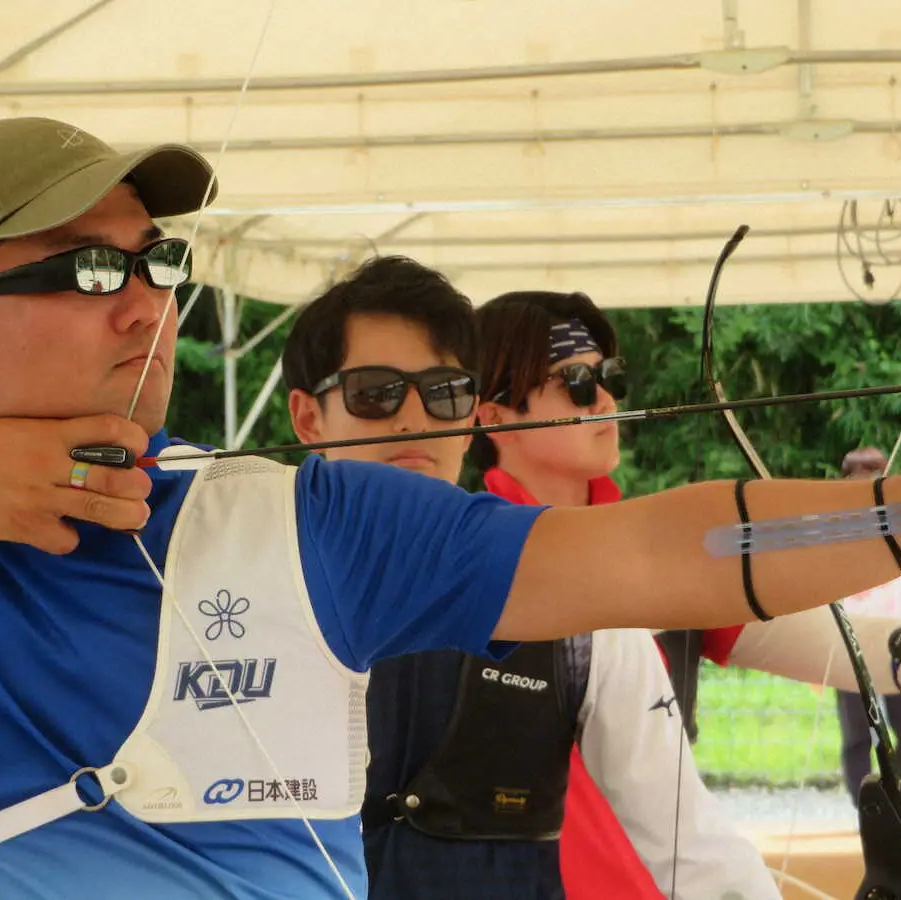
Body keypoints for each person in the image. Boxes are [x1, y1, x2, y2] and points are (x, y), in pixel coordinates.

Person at [0, 117, 901, 899]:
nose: (147, 308)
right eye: (90, 270)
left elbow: (666, 553)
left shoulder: (305, 524)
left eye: (157, 264)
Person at [282, 255, 779, 900]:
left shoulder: (583, 602)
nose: (414, 419)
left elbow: (692, 849)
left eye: (445, 392)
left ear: (469, 419)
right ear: (308, 418)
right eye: (375, 392)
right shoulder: (234, 571)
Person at [472, 289, 901, 896]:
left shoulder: (654, 553)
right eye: (577, 382)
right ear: (494, 419)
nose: (609, 401)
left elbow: (835, 644)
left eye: (609, 377)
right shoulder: (478, 569)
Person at [835, 447, 901, 805]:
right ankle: (866, 807)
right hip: (852, 640)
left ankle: (900, 799)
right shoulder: (836, 530)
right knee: (856, 733)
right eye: (858, 480)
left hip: (900, 638)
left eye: (873, 479)